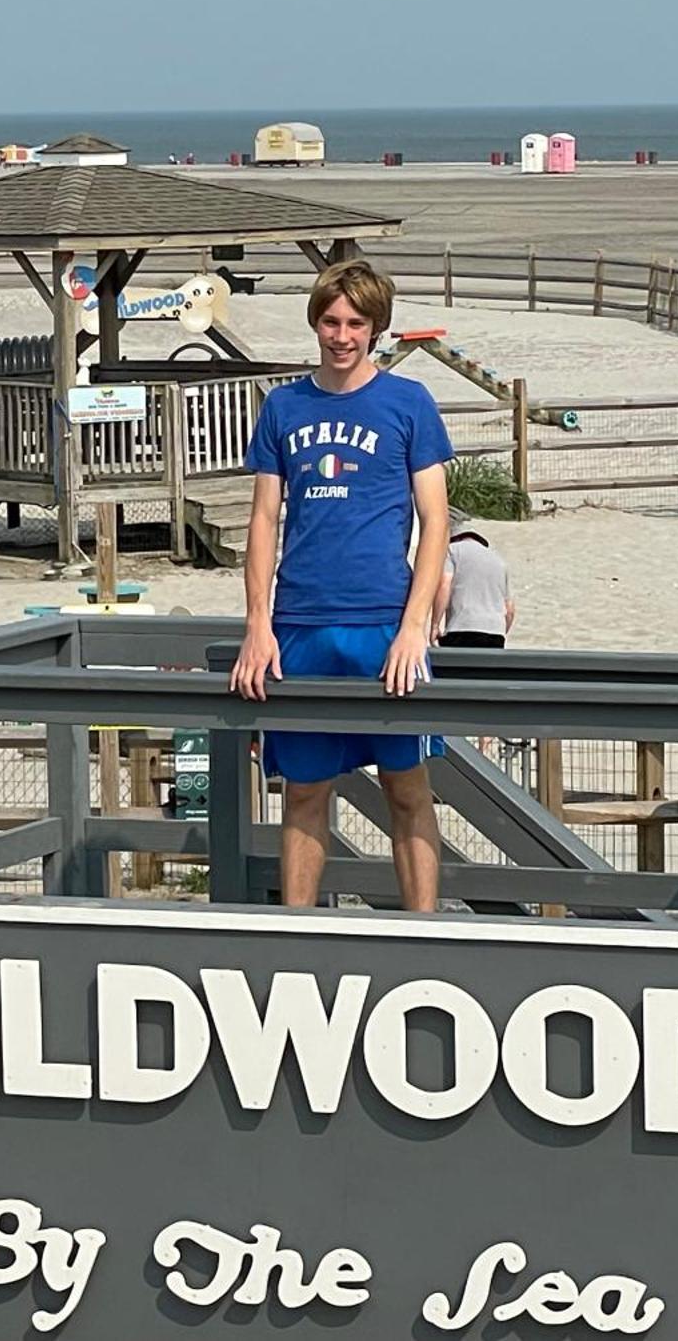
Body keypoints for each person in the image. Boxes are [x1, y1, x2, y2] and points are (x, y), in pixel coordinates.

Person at [227, 259, 454, 912]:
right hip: (300, 624)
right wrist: (257, 625)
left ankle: (425, 935)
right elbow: (264, 519)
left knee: (407, 788)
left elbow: (435, 522)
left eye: (356, 322)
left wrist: (415, 627)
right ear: (316, 322)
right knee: (303, 791)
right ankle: (297, 935)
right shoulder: (285, 406)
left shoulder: (408, 404)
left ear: (377, 327)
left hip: (385, 623)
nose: (342, 335)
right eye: (331, 321)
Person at [437, 524, 514, 648]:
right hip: (495, 633)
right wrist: (500, 632)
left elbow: (444, 585)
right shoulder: (499, 561)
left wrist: (435, 624)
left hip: (461, 627)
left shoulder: (451, 550)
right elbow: (509, 610)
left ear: (455, 538)